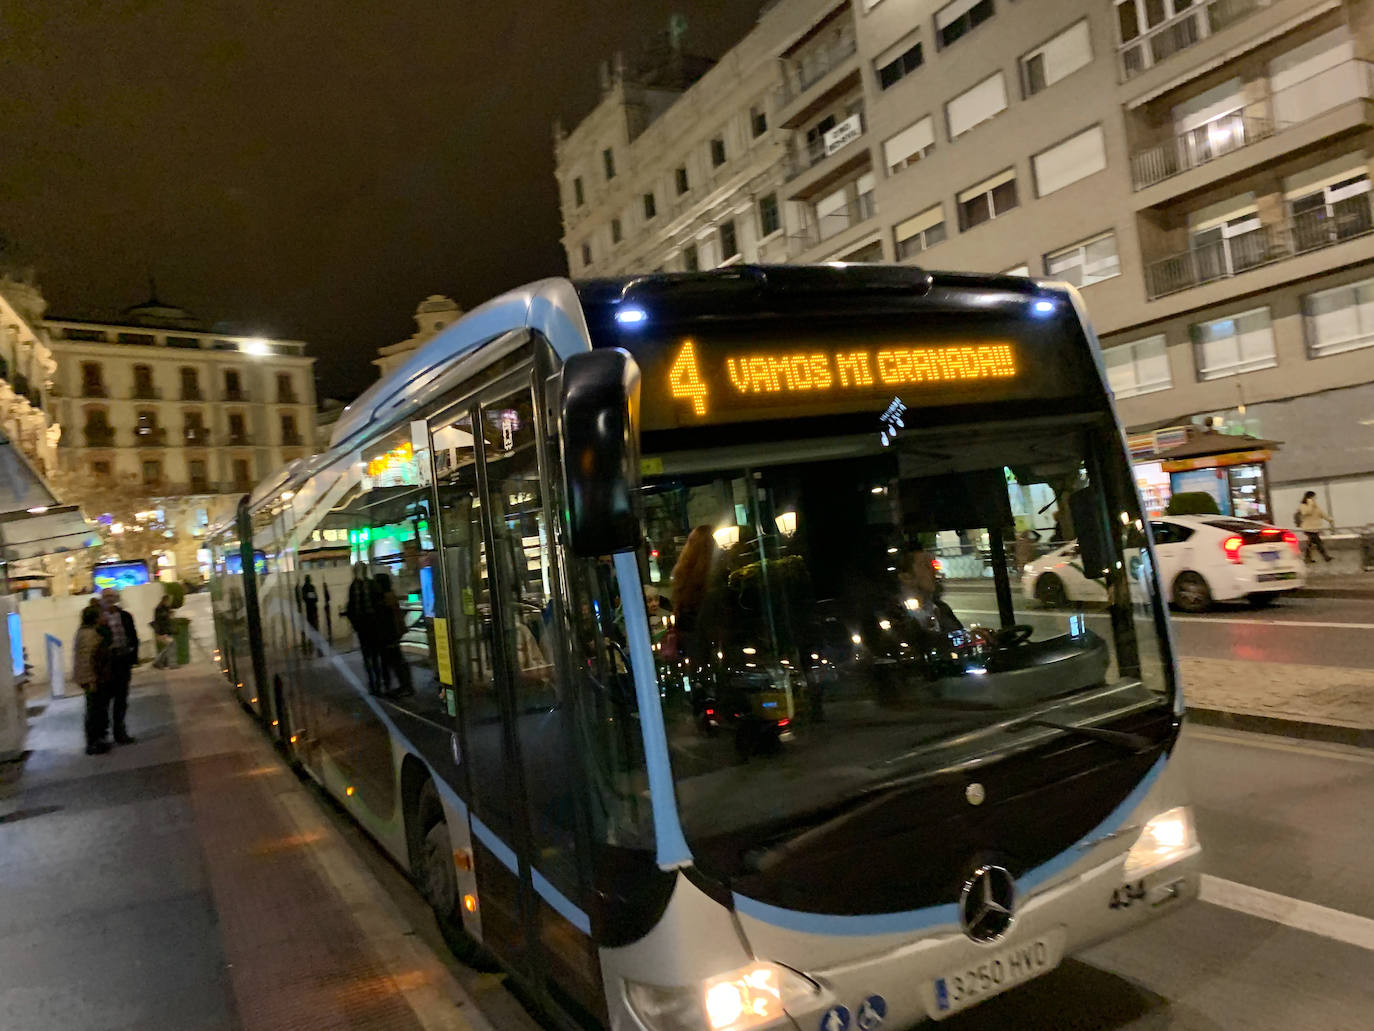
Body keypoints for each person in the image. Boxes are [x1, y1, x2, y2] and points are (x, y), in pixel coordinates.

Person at [98, 588, 139, 744]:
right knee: (105, 701)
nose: (109, 599)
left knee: (121, 699)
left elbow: (133, 637)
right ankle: (103, 735)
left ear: (116, 598)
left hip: (122, 661)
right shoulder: (99, 619)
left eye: (112, 596)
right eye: (106, 597)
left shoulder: (125, 616)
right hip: (107, 664)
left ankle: (120, 732)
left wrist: (132, 657)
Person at [73, 606, 112, 755]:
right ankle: (93, 742)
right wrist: (91, 680)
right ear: (95, 618)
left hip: (94, 678)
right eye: (101, 614)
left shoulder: (87, 632)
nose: (104, 616)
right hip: (92, 679)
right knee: (94, 711)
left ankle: (98, 740)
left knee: (97, 710)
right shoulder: (89, 635)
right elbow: (86, 660)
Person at [344, 563, 385, 694]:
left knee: (371, 656)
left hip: (369, 625)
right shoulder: (366, 585)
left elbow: (352, 607)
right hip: (367, 625)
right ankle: (375, 682)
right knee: (371, 656)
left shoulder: (358, 586)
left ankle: (375, 682)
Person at [373, 571, 413, 698]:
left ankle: (405, 686)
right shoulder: (388, 596)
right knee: (395, 660)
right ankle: (404, 685)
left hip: (390, 634)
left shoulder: (386, 598)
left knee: (396, 661)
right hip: (390, 634)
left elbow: (391, 618)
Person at [1297, 491, 1334, 564]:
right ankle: (1325, 557)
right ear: (1310, 497)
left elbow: (1321, 513)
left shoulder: (1315, 506)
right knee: (1318, 543)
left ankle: (1308, 558)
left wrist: (1329, 519)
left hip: (1315, 528)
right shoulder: (1303, 505)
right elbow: (1306, 512)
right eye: (1314, 497)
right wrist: (1310, 503)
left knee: (1311, 544)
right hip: (1308, 528)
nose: (1315, 498)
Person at [150, 595, 176, 669]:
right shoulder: (159, 609)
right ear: (165, 601)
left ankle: (160, 662)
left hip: (166, 631)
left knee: (170, 646)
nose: (170, 603)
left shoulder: (165, 609)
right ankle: (163, 663)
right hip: (163, 632)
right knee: (171, 645)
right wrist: (161, 633)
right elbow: (160, 622)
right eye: (169, 601)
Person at [300, 574, 320, 649]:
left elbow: (315, 598)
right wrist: (311, 596)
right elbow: (307, 598)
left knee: (313, 625)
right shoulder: (307, 588)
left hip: (311, 609)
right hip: (311, 609)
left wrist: (310, 596)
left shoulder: (310, 587)